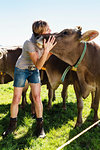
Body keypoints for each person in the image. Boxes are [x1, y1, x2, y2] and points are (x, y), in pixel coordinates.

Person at [2, 20, 56, 138]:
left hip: (33, 70)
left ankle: (40, 127)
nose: (50, 31)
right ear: (41, 32)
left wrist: (49, 52)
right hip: (21, 69)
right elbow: (39, 65)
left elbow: (41, 62)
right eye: (47, 30)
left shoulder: (44, 41)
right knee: (16, 98)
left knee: (37, 97)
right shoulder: (28, 43)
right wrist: (47, 51)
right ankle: (12, 126)